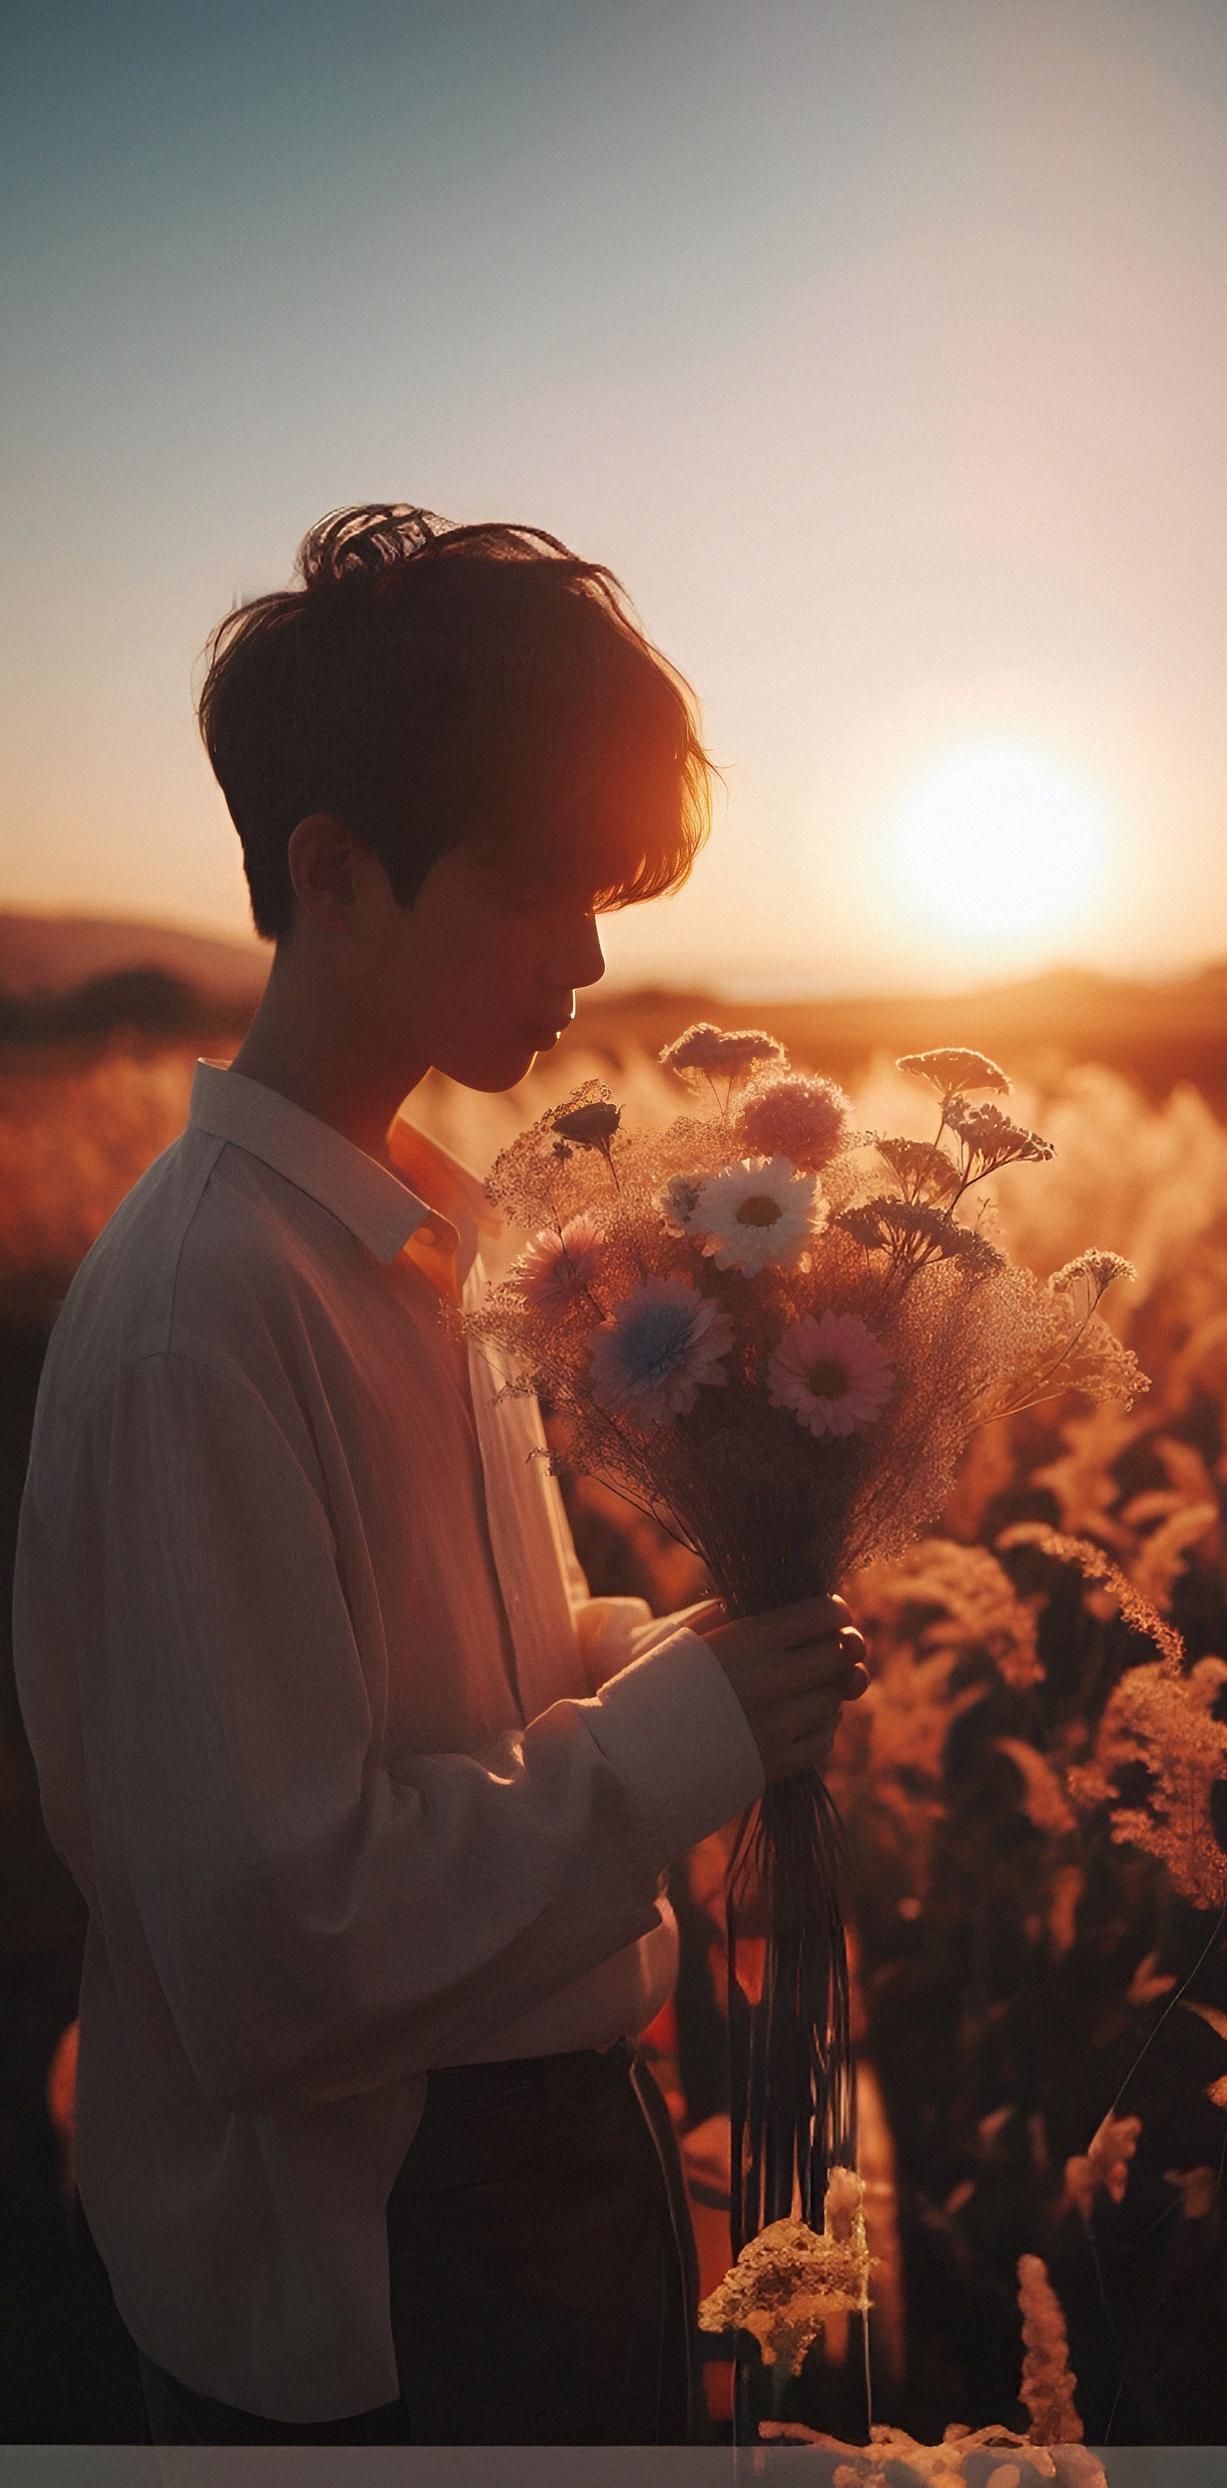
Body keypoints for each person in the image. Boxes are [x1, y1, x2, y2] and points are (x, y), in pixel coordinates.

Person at [11, 503, 869, 2447]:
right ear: (332, 872)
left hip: (541, 2178)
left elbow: (414, 1689)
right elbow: (267, 1946)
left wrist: (670, 1657)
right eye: (537, 885)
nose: (586, 954)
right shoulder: (198, 1320)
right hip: (381, 2288)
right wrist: (668, 1744)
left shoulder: (418, 1238)